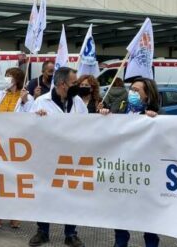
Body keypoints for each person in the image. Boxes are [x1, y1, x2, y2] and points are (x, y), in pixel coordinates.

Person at [24, 67, 86, 247]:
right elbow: (28, 128)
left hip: (72, 157)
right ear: (62, 84)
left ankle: (71, 234)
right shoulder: (41, 102)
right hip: (48, 158)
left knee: (71, 195)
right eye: (74, 82)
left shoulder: (78, 102)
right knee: (45, 194)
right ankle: (42, 231)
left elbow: (87, 125)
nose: (77, 85)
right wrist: (36, 119)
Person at [100, 77, 159, 247]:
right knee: (120, 211)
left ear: (147, 95)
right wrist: (104, 115)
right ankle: (120, 242)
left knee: (148, 213)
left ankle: (151, 243)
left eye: (137, 90)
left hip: (144, 172)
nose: (132, 92)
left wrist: (155, 119)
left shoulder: (156, 114)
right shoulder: (120, 108)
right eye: (131, 89)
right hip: (122, 170)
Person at [0, 67, 30, 230]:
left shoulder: (26, 97)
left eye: (10, 76)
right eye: (6, 76)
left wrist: (25, 102)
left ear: (17, 79)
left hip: (17, 144)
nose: (7, 79)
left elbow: (31, 118)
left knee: (14, 181)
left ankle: (14, 215)